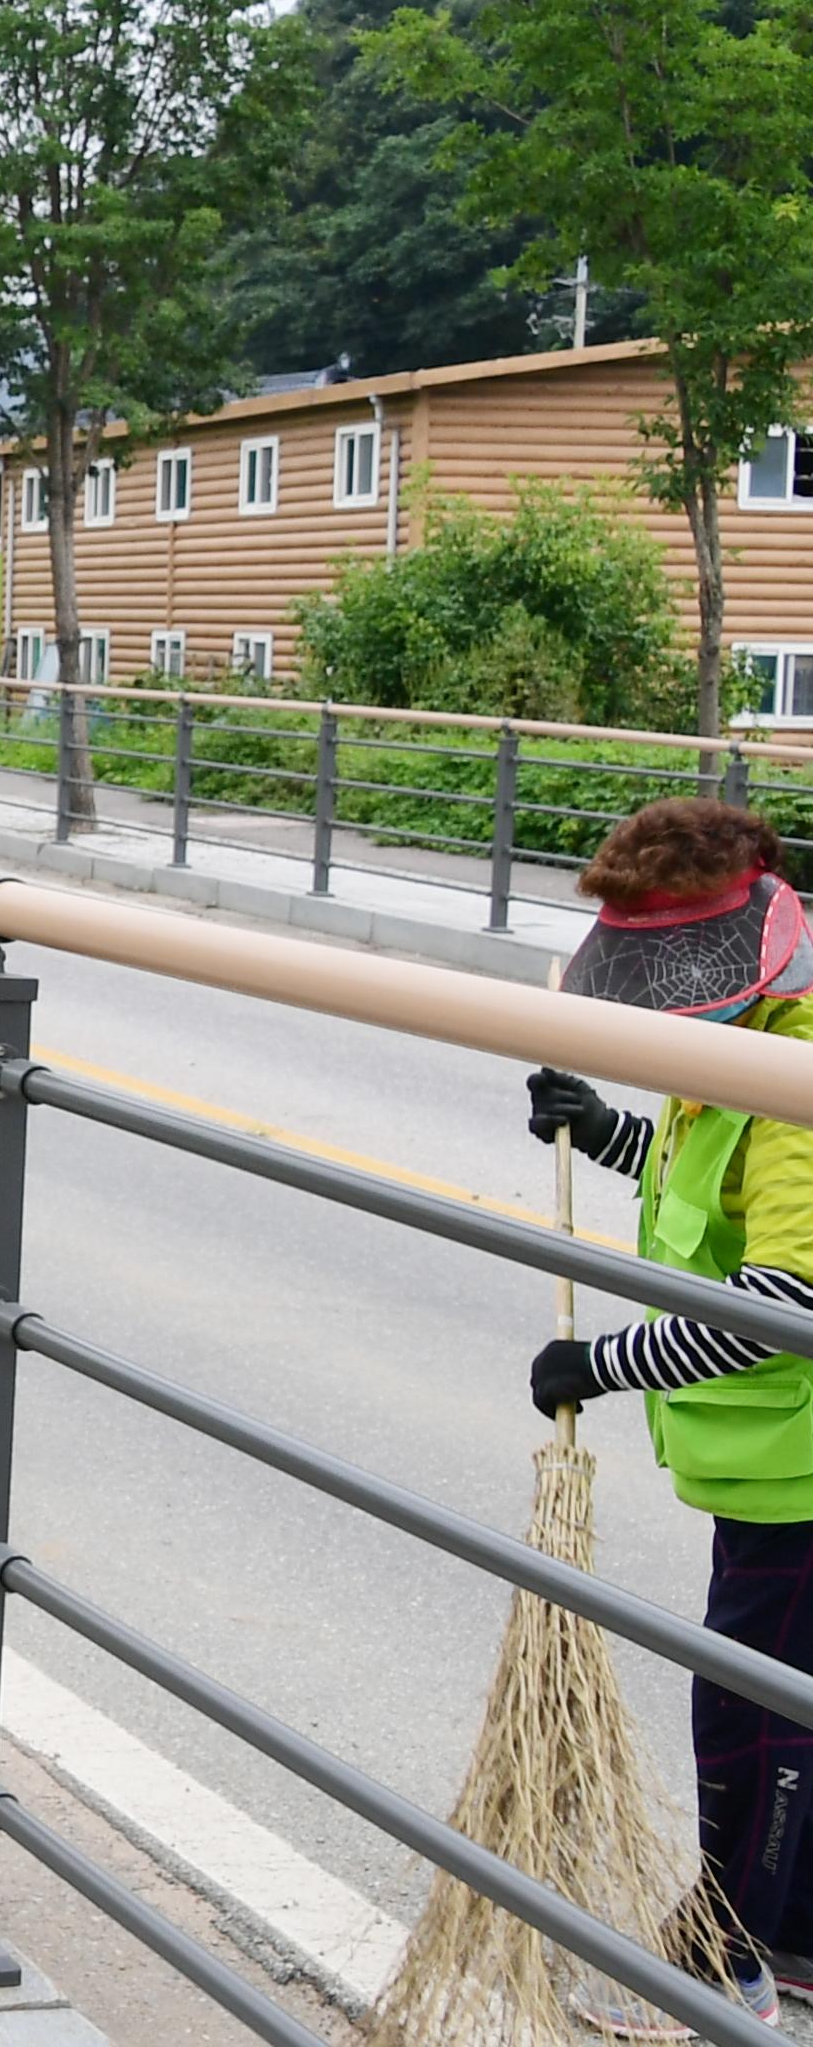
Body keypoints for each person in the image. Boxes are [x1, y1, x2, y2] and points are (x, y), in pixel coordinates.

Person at [525, 798, 813, 2032]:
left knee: (750, 1721)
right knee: (767, 1700)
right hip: (764, 1467)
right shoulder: (742, 1040)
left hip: (802, 1473)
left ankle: (726, 1961)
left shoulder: (794, 1064)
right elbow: (710, 1196)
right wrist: (601, 1133)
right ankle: (789, 1943)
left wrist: (607, 1362)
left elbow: (783, 1299)